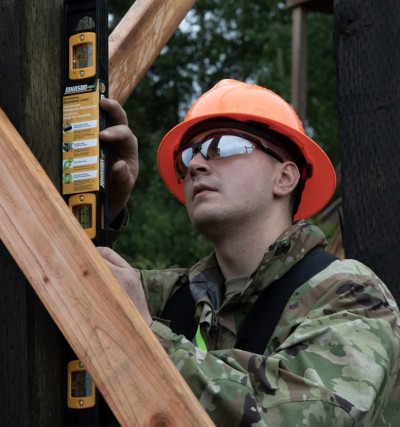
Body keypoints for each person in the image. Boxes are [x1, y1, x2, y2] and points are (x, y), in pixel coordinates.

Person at [98, 79, 400, 426]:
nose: (195, 164)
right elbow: (55, 290)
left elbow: (304, 418)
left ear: (284, 178)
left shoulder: (350, 294)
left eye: (222, 146)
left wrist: (146, 338)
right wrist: (100, 210)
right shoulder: (168, 297)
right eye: (188, 155)